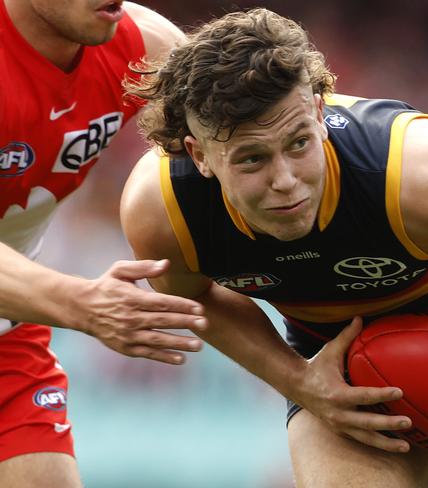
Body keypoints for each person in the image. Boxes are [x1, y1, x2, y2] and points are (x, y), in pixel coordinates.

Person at [122, 8, 428, 487]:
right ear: (199, 155)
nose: (285, 181)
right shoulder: (163, 213)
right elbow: (195, 294)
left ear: (320, 115)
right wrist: (298, 379)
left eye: (299, 143)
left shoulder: (419, 180)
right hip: (343, 350)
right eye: (252, 159)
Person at [0, 1, 214, 487]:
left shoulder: (144, 46)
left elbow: (267, 133)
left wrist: (303, 377)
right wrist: (82, 302)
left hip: (9, 331)